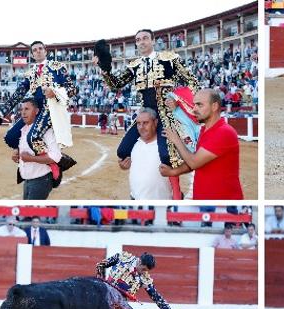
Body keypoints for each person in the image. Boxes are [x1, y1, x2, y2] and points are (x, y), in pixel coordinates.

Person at [93, 29, 198, 200]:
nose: (141, 42)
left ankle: (176, 194)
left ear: (153, 40)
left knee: (166, 156)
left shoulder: (170, 59)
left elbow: (192, 82)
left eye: (145, 38)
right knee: (122, 151)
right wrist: (104, 69)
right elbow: (115, 85)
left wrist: (177, 99)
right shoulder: (134, 65)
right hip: (145, 115)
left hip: (167, 115)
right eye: (138, 39)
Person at [0, 41, 75, 169]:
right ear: (32, 55)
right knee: (11, 137)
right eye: (35, 50)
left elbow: (72, 89)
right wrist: (1, 112)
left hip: (51, 110)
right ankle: (51, 157)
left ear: (45, 51)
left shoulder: (58, 67)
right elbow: (18, 93)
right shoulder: (30, 73)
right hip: (35, 110)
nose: (38, 51)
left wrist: (55, 92)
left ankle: (57, 161)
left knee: (34, 137)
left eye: (40, 48)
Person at [161, 89, 244, 200]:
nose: (194, 109)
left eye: (199, 105)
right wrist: (174, 171)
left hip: (222, 205)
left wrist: (176, 139)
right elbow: (197, 161)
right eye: (194, 105)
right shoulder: (204, 130)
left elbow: (194, 162)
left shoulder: (223, 132)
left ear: (214, 106)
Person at [12, 98, 62, 200]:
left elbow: (55, 157)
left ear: (36, 111)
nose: (23, 112)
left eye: (27, 109)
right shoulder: (24, 129)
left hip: (41, 179)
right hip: (28, 179)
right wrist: (16, 152)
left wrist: (30, 158)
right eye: (21, 109)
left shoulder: (46, 130)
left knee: (30, 210)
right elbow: (23, 148)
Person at [119, 108, 173, 200]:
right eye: (139, 123)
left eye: (145, 123)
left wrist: (173, 171)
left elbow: (189, 165)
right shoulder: (133, 144)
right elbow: (124, 163)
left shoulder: (167, 145)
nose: (141, 127)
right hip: (135, 198)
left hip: (162, 201)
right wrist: (123, 166)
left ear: (155, 122)